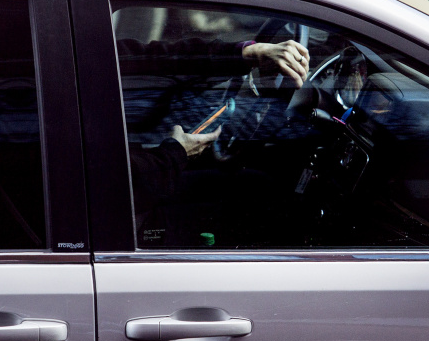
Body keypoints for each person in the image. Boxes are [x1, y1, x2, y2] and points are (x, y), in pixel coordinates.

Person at [126, 38, 311, 232]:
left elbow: (151, 59)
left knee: (256, 183)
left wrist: (249, 53)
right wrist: (176, 153)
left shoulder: (96, 56)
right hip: (126, 214)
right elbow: (117, 182)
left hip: (142, 177)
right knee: (264, 208)